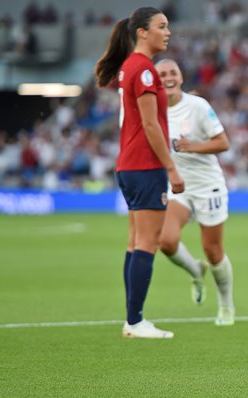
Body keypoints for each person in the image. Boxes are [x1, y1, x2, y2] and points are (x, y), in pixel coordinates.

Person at [95, 7, 184, 339]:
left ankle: (133, 319)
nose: (168, 32)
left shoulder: (130, 66)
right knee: (148, 242)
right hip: (146, 166)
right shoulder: (144, 70)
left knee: (135, 242)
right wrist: (171, 168)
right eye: (162, 27)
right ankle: (135, 322)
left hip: (129, 165)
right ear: (142, 32)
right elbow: (150, 124)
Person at [155, 59, 235, 326]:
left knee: (213, 251)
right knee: (165, 241)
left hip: (207, 185)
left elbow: (223, 142)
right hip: (178, 186)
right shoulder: (152, 110)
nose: (168, 77)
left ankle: (226, 305)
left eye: (172, 73)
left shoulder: (197, 106)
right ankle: (195, 270)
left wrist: (192, 147)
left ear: (180, 77)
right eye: (162, 74)